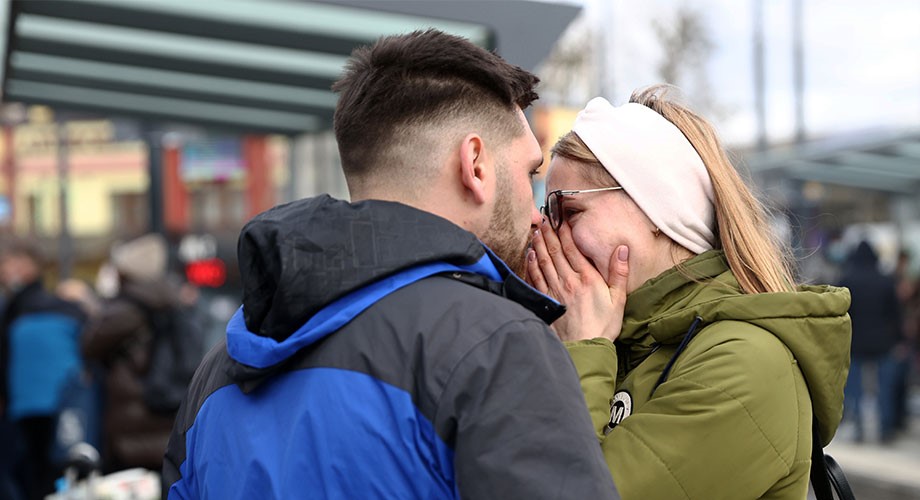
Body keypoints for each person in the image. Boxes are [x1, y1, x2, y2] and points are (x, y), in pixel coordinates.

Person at [162, 29, 618, 499]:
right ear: (475, 165)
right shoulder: (496, 344)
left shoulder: (222, 366)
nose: (535, 211)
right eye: (529, 174)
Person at [526, 85, 852, 499]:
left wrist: (583, 347)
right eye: (546, 212)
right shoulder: (622, 336)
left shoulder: (746, 362)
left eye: (567, 210)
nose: (548, 233)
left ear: (657, 208)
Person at [81, 234, 182, 472]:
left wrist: (103, 300)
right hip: (165, 403)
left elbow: (89, 342)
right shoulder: (171, 299)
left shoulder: (128, 308)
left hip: (132, 409)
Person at [0, 238, 86, 499]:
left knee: (33, 475)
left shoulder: (17, 310)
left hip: (27, 406)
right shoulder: (64, 308)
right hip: (65, 401)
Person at [839, 240, 903, 443]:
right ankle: (885, 430)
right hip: (883, 342)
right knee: (884, 388)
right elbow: (895, 313)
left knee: (855, 389)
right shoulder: (885, 280)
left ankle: (858, 428)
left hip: (855, 342)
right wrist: (899, 339)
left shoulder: (847, 279)